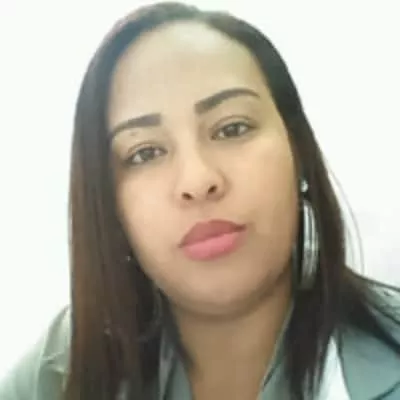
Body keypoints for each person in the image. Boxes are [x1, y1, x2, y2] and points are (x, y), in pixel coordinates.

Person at [1, 2, 399, 399]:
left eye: (232, 128)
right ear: (109, 205)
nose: (197, 180)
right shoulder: (59, 372)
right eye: (145, 153)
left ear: (299, 152)